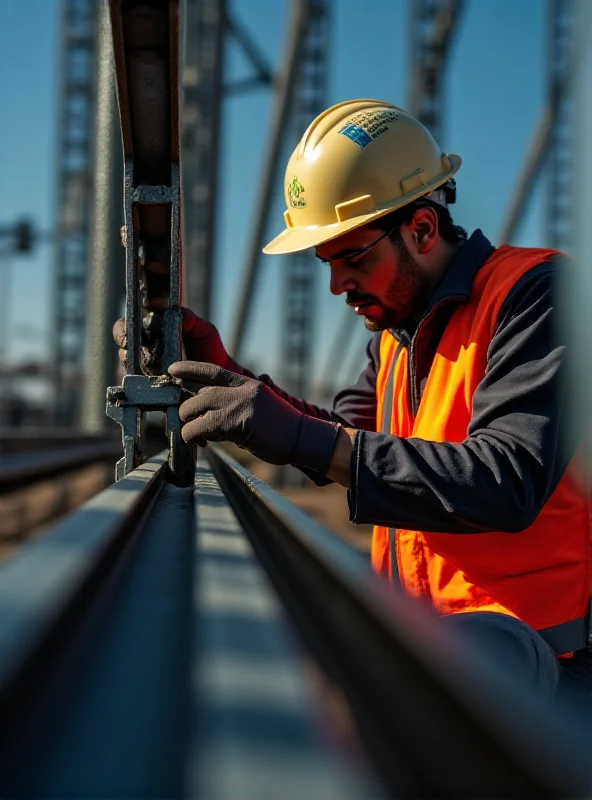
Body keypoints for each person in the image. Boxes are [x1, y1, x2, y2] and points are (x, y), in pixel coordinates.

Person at [114, 99, 592, 701]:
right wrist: (231, 377)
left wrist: (299, 436)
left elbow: (508, 479)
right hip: (432, 641)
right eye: (326, 262)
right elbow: (347, 441)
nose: (337, 284)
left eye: (354, 256)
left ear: (421, 228)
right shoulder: (397, 332)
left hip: (550, 664)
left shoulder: (537, 298)